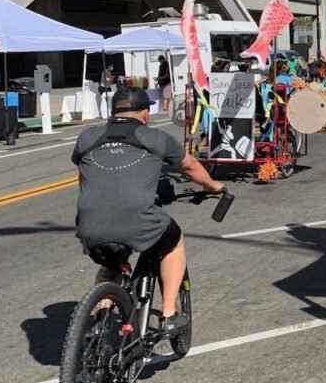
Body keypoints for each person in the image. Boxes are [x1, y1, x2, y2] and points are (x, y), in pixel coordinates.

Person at [72, 87, 224, 337]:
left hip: (90, 223)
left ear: (113, 113)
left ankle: (98, 322)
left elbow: (85, 176)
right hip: (136, 219)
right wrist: (214, 186)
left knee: (112, 263)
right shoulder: (156, 138)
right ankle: (168, 315)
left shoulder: (87, 138)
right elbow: (190, 166)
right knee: (173, 241)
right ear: (144, 113)